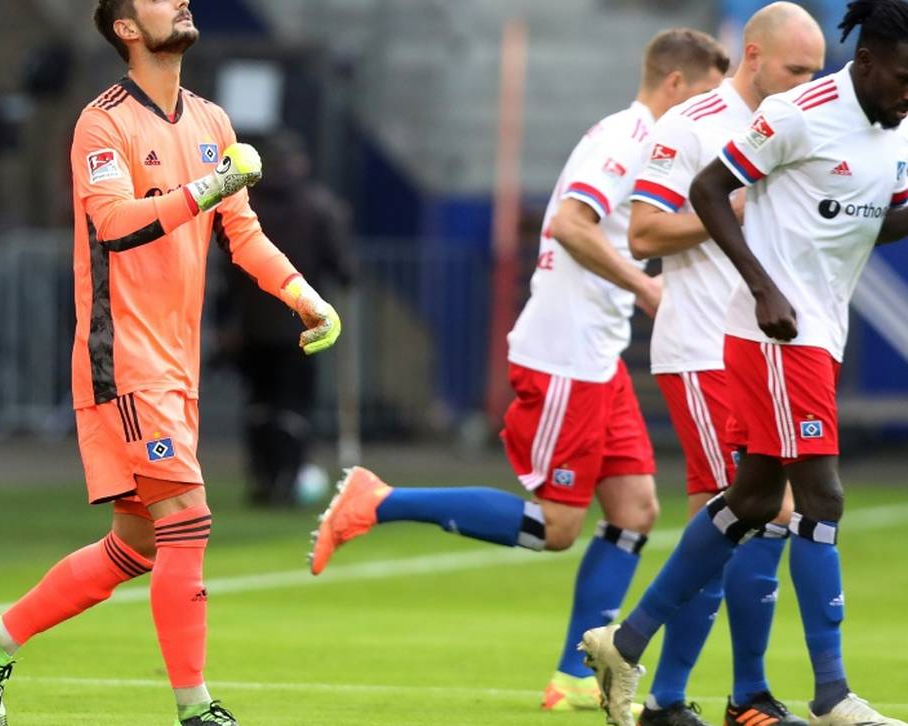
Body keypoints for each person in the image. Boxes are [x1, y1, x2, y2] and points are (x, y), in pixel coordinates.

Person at [307, 28, 729, 713]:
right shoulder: (625, 140)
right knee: (557, 528)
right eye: (708, 95)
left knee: (635, 510)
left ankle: (576, 675)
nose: (713, 111)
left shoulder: (647, 143)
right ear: (675, 83)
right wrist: (646, 287)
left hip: (597, 354)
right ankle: (378, 501)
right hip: (565, 356)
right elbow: (569, 224)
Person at [0, 2, 342, 725]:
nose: (181, 0)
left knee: (135, 546)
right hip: (124, 358)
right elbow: (113, 222)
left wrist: (302, 295)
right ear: (126, 29)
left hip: (176, 363)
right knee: (188, 520)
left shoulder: (212, 120)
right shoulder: (102, 123)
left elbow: (242, 233)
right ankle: (196, 709)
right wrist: (207, 188)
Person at [582, 2, 908, 725]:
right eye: (904, 78)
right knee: (819, 501)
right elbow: (704, 192)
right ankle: (828, 695)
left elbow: (872, 223)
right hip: (771, 335)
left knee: (753, 503)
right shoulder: (797, 115)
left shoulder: (897, 130)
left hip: (818, 331)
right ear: (867, 62)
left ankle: (624, 643)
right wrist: (762, 286)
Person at [625, 4, 824, 724]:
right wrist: (727, 212)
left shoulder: (801, 125)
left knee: (728, 524)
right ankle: (738, 696)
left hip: (766, 353)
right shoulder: (692, 125)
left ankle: (672, 695)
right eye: (796, 70)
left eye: (816, 72)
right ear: (753, 55)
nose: (807, 83)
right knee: (760, 512)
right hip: (705, 348)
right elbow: (643, 232)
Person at [217, 131, 353, 507]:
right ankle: (289, 477)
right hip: (301, 325)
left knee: (259, 404)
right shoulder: (319, 206)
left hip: (252, 326)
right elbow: (344, 268)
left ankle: (262, 476)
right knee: (294, 406)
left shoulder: (247, 206)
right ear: (299, 163)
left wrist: (225, 320)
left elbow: (228, 269)